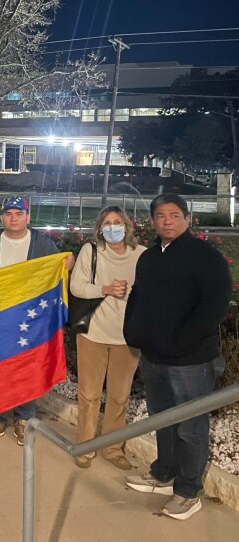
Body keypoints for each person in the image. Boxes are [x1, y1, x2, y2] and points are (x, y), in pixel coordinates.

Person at [123, 194, 231, 521]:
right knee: (162, 420)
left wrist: (181, 340)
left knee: (190, 427)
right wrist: (133, 332)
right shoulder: (150, 257)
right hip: (154, 358)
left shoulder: (205, 256)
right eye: (160, 215)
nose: (167, 221)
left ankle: (187, 491)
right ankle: (163, 472)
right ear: (152, 221)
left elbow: (215, 305)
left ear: (186, 218)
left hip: (191, 360)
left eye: (174, 215)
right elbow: (138, 297)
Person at [0, 195, 71, 446]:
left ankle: (24, 418)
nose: (13, 218)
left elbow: (58, 271)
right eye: (8, 214)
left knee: (27, 367)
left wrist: (67, 263)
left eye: (19, 214)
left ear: (28, 217)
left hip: (30, 320)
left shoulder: (43, 245)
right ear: (2, 217)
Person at [69, 207, 145, 470]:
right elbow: (76, 286)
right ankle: (85, 446)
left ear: (127, 225)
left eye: (118, 222)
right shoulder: (91, 252)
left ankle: (113, 448)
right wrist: (104, 289)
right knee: (89, 394)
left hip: (128, 337)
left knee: (119, 396)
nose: (113, 227)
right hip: (94, 334)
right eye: (108, 223)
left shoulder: (142, 255)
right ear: (100, 229)